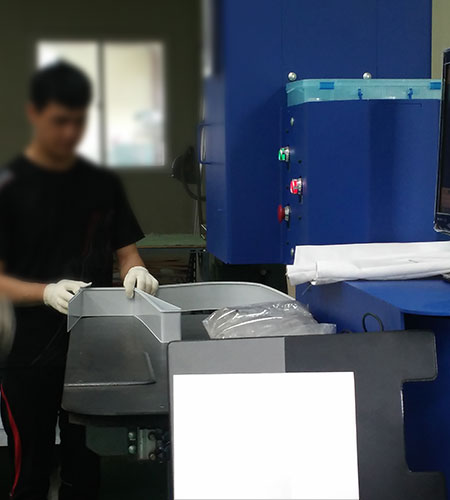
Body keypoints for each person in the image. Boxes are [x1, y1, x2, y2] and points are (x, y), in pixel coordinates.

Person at [0, 61, 159, 500]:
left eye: (78, 121)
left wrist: (137, 272)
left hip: (91, 351)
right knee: (28, 469)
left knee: (85, 465)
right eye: (59, 121)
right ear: (35, 114)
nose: (70, 132)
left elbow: (127, 253)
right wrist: (45, 292)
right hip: (25, 354)